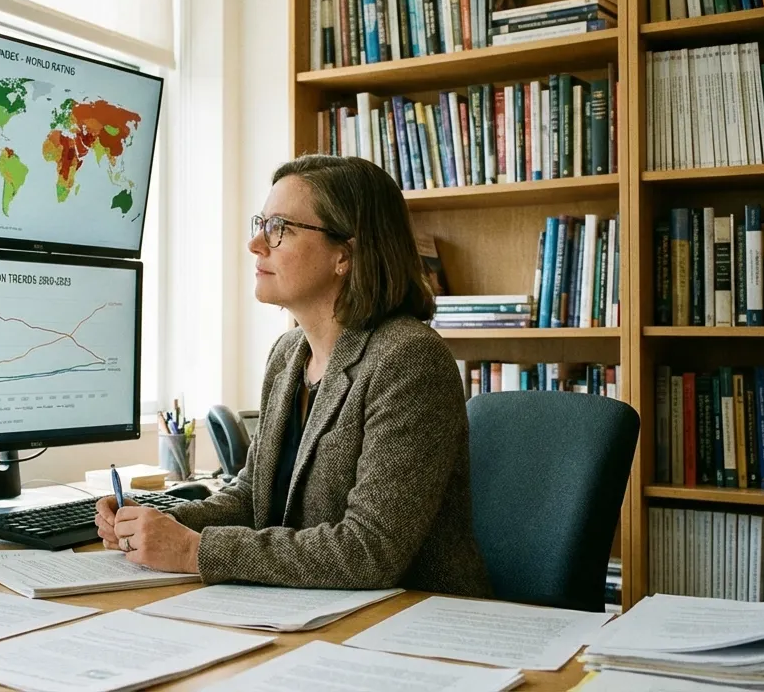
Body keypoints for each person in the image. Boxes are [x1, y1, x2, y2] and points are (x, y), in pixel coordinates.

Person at [95, 155, 490, 595]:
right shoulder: (288, 354)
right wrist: (154, 523)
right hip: (305, 609)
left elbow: (368, 551)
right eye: (260, 223)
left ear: (345, 254)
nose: (255, 244)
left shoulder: (408, 358)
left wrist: (191, 551)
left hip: (410, 621)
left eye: (279, 228)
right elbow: (250, 500)